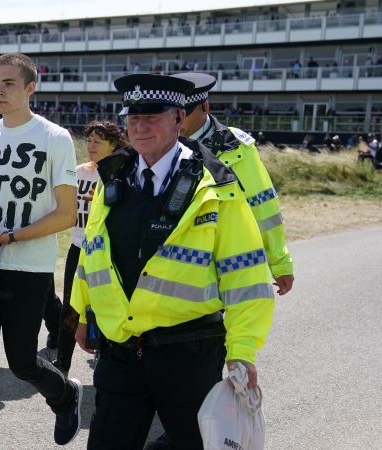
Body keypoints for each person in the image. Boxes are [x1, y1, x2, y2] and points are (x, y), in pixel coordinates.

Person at [71, 73, 275, 450]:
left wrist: (242, 351)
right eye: (133, 119)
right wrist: (84, 314)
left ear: (179, 119)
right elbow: (93, 251)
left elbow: (245, 275)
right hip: (120, 349)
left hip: (189, 351)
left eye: (152, 117)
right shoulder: (112, 176)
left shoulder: (216, 185)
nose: (140, 127)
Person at [0, 52, 83, 449]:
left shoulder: (54, 138)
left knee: (20, 362)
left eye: (8, 83)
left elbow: (66, 214)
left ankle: (65, 396)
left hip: (30, 268)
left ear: (31, 88)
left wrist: (8, 238)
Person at [174, 72, 293, 295]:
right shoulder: (158, 146)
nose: (177, 120)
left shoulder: (236, 146)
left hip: (224, 259)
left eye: (184, 113)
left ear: (204, 106)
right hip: (176, 265)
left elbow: (263, 205)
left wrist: (279, 263)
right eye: (172, 113)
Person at [53, 121, 127, 375]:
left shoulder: (121, 172)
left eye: (98, 141)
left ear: (114, 144)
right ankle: (62, 362)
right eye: (89, 141)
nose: (91, 146)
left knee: (105, 304)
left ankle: (108, 357)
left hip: (106, 252)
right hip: (77, 247)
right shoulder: (78, 172)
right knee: (70, 307)